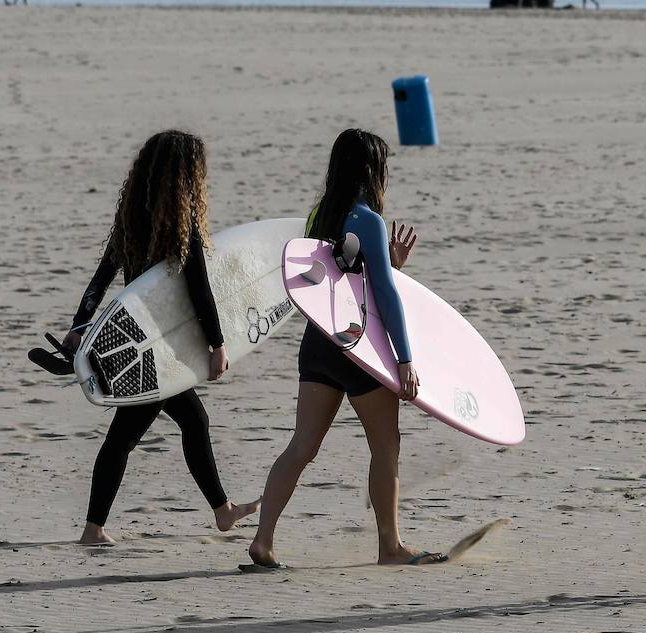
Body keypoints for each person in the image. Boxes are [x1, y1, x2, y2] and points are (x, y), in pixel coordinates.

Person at [248, 128, 445, 568]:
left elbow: (333, 279)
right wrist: (405, 359)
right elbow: (384, 296)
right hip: (357, 350)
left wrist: (387, 260)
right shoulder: (367, 220)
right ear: (372, 171)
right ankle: (390, 546)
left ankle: (263, 539)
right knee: (386, 446)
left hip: (318, 344)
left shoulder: (319, 213)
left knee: (301, 446)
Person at [62, 130, 258, 545]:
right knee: (127, 436)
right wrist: (217, 343)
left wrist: (81, 324)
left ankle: (222, 511)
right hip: (156, 348)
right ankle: (93, 528)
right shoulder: (181, 223)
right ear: (187, 175)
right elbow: (198, 287)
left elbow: (101, 278)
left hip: (132, 337)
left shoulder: (132, 217)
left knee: (189, 420)